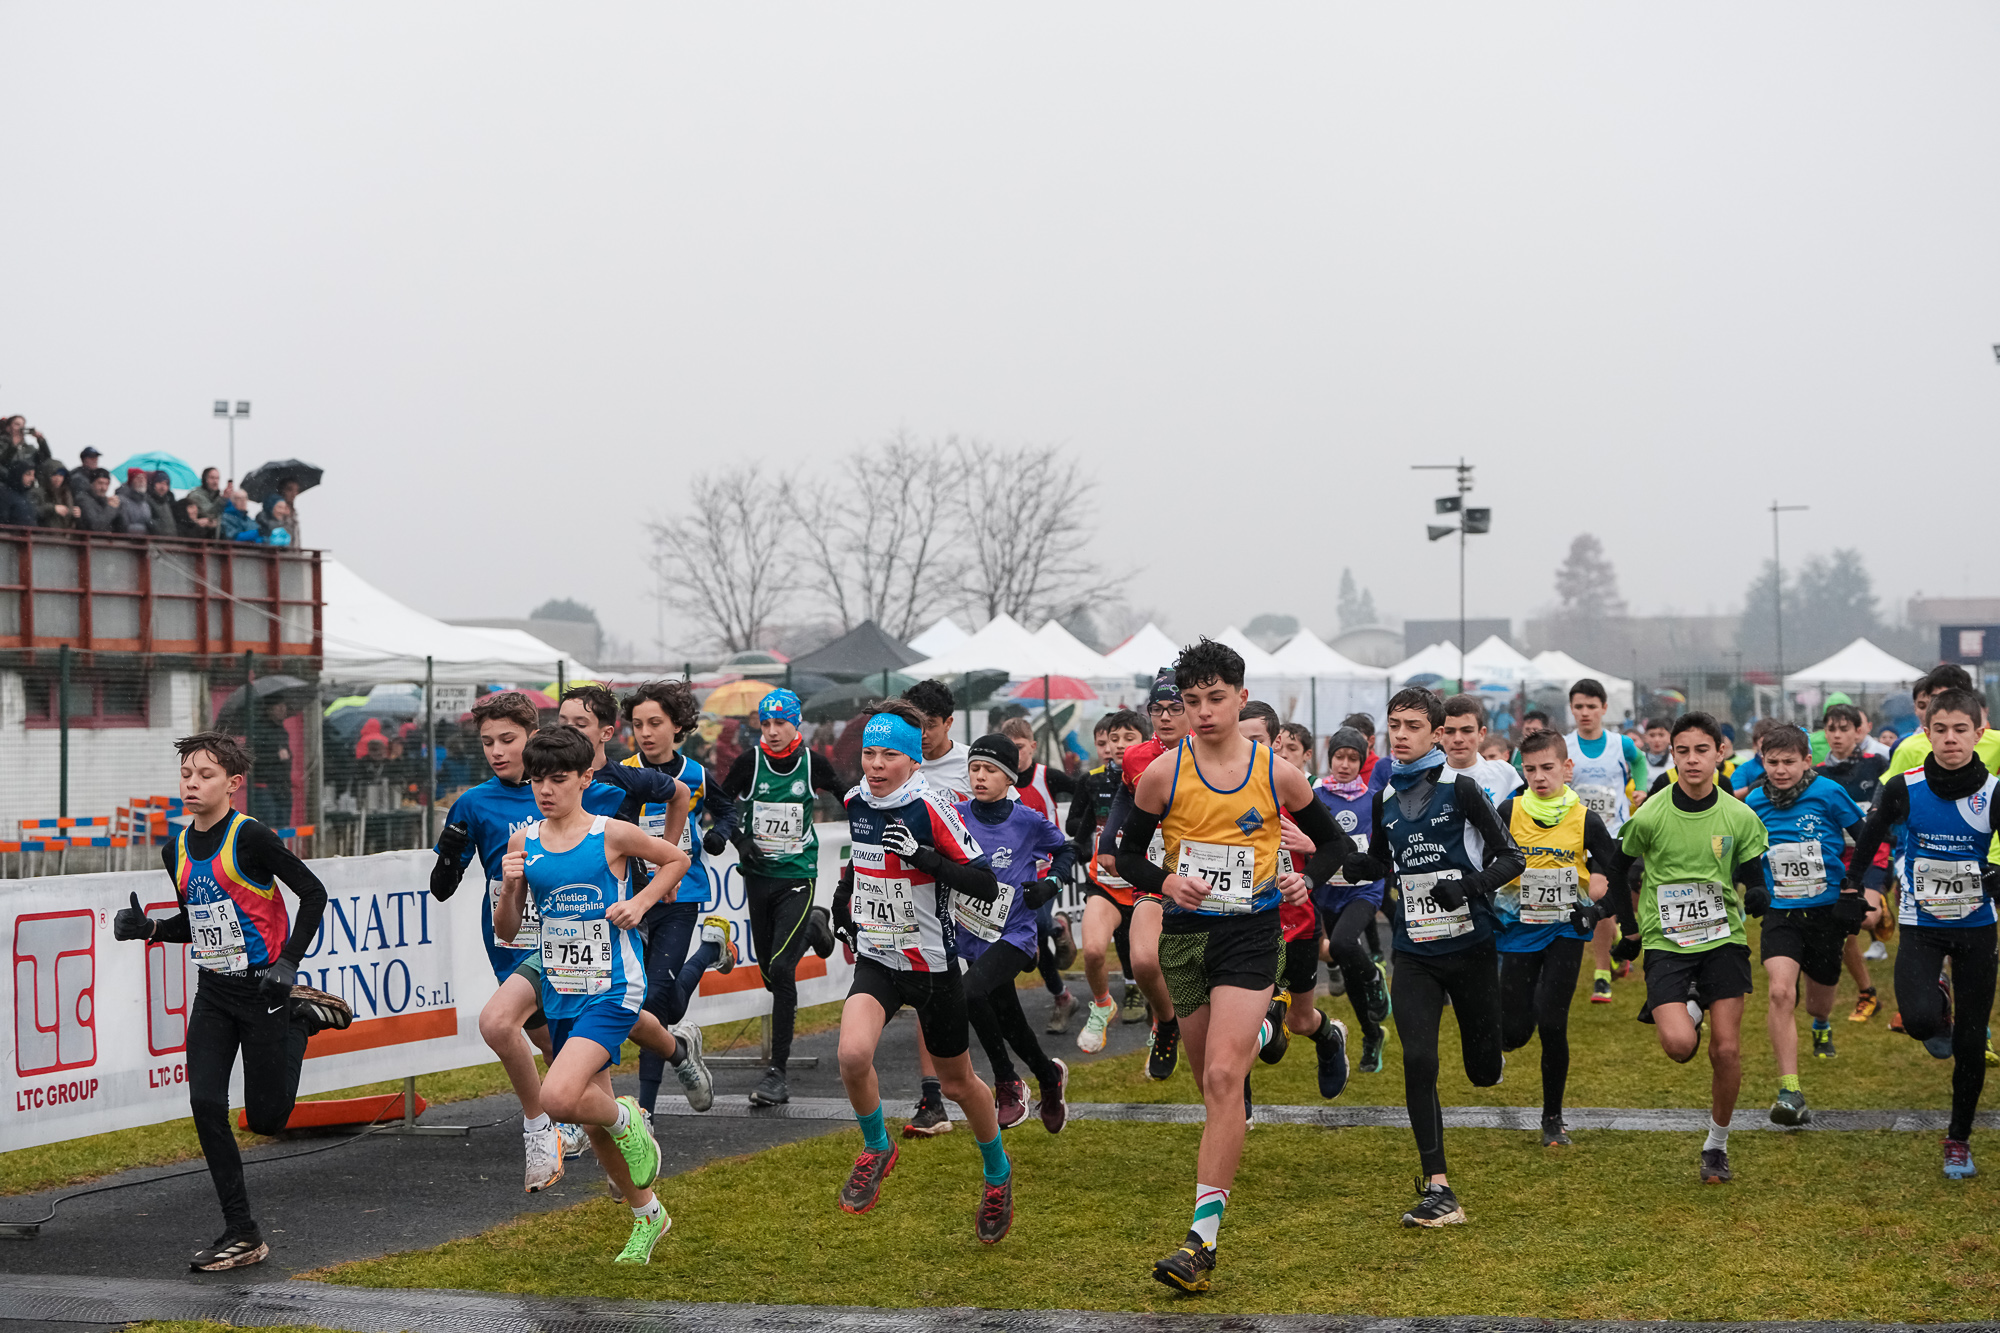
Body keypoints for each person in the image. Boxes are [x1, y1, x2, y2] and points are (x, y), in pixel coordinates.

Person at [1113, 640, 1348, 1292]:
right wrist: (1166, 880)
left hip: (1250, 933)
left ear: (1241, 698)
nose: (1204, 711)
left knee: (1222, 1078)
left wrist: (1304, 880)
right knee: (1213, 1084)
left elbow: (1335, 843)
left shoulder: (1278, 773)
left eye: (1216, 698)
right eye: (1192, 701)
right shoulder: (1163, 773)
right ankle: (1268, 1033)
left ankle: (1200, 1242)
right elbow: (1122, 855)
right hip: (1186, 939)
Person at [432, 692, 702, 1190]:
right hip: (532, 949)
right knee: (555, 1059)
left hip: (599, 942)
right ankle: (633, 1188)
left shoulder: (603, 787)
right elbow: (452, 892)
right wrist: (455, 860)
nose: (497, 751)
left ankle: (558, 1125)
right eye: (487, 742)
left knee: (570, 1038)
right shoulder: (476, 803)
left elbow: (679, 803)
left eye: (507, 739)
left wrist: (642, 896)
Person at [109, 732, 347, 1271]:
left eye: (205, 775)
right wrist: (149, 928)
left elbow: (313, 893)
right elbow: (201, 920)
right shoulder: (175, 850)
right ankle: (242, 1232)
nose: (192, 784)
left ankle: (298, 1020)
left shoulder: (252, 838)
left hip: (265, 987)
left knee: (266, 1119)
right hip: (214, 991)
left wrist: (287, 963)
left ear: (233, 785)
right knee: (206, 1104)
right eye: (186, 775)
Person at [495, 727, 684, 1264]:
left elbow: (676, 859)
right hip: (561, 989)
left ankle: (629, 1118)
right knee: (586, 1116)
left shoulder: (612, 833)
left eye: (558, 779)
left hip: (614, 988)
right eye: (537, 781)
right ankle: (649, 1214)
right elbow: (508, 930)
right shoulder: (523, 842)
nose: (545, 790)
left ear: (584, 778)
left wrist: (642, 903)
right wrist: (511, 885)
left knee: (558, 1099)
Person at [830, 703, 1015, 1242]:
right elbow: (861, 863)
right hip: (880, 958)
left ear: (914, 762)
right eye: (869, 753)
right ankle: (875, 1146)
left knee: (959, 1084)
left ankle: (998, 1174)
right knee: (851, 1054)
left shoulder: (932, 806)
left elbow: (982, 882)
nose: (877, 764)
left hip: (933, 968)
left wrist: (925, 858)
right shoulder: (854, 800)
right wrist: (845, 906)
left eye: (890, 754)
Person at [1341, 688, 1524, 1229]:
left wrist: (1469, 887)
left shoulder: (1463, 789)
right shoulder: (1385, 798)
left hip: (1470, 947)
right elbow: (1381, 861)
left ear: (1437, 733)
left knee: (1483, 1071)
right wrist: (1356, 867)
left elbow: (1510, 856)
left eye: (1414, 726)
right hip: (1414, 950)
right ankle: (1439, 1188)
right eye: (1395, 724)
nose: (1401, 734)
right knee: (1419, 1060)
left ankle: (1491, 1053)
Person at [1602, 712, 1769, 1184]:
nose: (1692, 760)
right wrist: (1630, 931)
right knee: (1679, 1046)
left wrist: (1757, 894)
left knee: (1726, 1050)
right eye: (1682, 751)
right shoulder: (1651, 813)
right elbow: (1618, 869)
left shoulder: (1739, 816)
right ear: (1671, 756)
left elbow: (1754, 872)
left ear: (1721, 753)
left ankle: (1716, 1146)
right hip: (1667, 941)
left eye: (1701, 750)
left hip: (1723, 939)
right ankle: (1691, 1004)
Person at [1843, 686, 1999, 1180]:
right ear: (1926, 732)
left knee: (1971, 1046)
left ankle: (1958, 1138)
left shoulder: (1994, 792)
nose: (1950, 739)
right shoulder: (1904, 787)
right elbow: (1871, 832)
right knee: (1917, 1020)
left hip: (1977, 930)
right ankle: (1937, 1001)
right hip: (1922, 925)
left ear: (1979, 732)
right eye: (1940, 729)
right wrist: (1853, 885)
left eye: (1960, 730)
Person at [705, 687, 845, 1107]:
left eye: (780, 723)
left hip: (797, 876)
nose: (772, 731)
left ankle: (776, 1075)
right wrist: (739, 840)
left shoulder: (812, 764)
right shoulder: (750, 763)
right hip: (757, 877)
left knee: (783, 969)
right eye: (765, 724)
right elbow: (721, 804)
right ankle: (817, 925)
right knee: (769, 973)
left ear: (796, 723)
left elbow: (849, 797)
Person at [622, 679, 743, 1117]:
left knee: (653, 1001)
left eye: (655, 723)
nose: (646, 732)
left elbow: (728, 811)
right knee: (659, 1004)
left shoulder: (694, 774)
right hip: (635, 901)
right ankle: (711, 951)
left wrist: (718, 835)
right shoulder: (624, 773)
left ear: (678, 727)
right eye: (638, 724)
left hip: (681, 894)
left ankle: (646, 1113)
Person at [1491, 729, 1617, 1146]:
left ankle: (1552, 1119)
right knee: (1514, 1033)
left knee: (1552, 1020)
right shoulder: (1507, 811)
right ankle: (1503, 1037)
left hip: (1565, 931)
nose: (1539, 777)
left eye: (1548, 768)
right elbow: (1483, 861)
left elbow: (1616, 876)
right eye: (1530, 770)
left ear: (1567, 768)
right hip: (1517, 930)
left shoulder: (1586, 819)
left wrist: (1595, 909)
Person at [1738, 724, 1866, 1127]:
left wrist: (1854, 887)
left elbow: (1866, 836)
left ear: (1807, 760)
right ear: (1762, 761)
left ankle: (1822, 1025)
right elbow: (1742, 849)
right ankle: (1790, 1089)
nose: (1780, 770)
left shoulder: (1828, 793)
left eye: (1789, 762)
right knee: (1779, 993)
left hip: (1826, 911)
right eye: (1772, 762)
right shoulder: (1755, 801)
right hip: (1780, 913)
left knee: (1816, 1001)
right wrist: (1754, 884)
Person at [955, 733, 1074, 1133]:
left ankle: (1007, 1082)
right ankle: (1048, 1075)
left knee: (969, 993)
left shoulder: (1027, 821)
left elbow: (1068, 851)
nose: (980, 777)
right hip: (973, 936)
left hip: (1017, 934)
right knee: (1011, 1021)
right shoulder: (954, 815)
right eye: (974, 769)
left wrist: (1051, 885)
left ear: (1010, 778)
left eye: (990, 770)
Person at [1238, 704, 1352, 1102]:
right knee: (1239, 1023)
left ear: (1277, 743)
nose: (1246, 748)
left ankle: (1328, 1037)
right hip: (1244, 928)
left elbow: (1341, 847)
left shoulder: (1290, 790)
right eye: (1240, 739)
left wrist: (1309, 867)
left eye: (1257, 741)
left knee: (1302, 1020)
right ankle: (1238, 1103)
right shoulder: (1216, 795)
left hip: (1298, 928)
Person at [1097, 671, 1191, 1081]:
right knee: (1143, 959)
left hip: (1208, 878)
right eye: (1157, 709)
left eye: (1175, 708)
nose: (1166, 717)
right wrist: (1107, 845)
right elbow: (1124, 793)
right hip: (1154, 872)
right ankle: (1167, 1021)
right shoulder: (1137, 756)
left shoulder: (1213, 751)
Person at [1070, 709, 1150, 1050]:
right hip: (1103, 882)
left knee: (1149, 964)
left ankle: (1162, 1021)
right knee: (1092, 952)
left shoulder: (1161, 775)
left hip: (1147, 885)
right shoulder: (1095, 780)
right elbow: (1082, 828)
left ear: (1145, 741)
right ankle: (1103, 1005)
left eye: (1128, 738)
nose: (1119, 745)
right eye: (1113, 739)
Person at [996, 714, 1080, 1030]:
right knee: (1034, 940)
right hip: (1014, 873)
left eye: (1020, 747)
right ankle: (1062, 997)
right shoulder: (997, 781)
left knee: (1040, 924)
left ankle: (1059, 926)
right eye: (1009, 748)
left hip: (1047, 869)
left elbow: (1083, 790)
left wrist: (1077, 831)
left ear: (1033, 745)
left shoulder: (1048, 777)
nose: (1015, 755)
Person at [1314, 728, 1391, 1073]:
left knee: (1344, 943)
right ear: (1329, 759)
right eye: (1339, 757)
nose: (1345, 764)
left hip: (1363, 890)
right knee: (1346, 964)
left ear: (1362, 762)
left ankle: (1375, 977)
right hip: (1326, 892)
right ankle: (1372, 1034)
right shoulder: (1314, 797)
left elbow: (1382, 847)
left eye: (1353, 758)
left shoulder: (1374, 798)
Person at [1567, 678, 1646, 1005]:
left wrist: (1640, 788)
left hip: (1615, 832)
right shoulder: (1564, 744)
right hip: (1578, 833)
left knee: (1621, 893)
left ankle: (1613, 952)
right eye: (1578, 707)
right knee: (1601, 893)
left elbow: (1639, 761)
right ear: (1572, 709)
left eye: (1591, 707)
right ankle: (1602, 973)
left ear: (1604, 708)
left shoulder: (1620, 743)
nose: (1585, 713)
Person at [1816, 702, 1894, 1012]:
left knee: (1866, 918)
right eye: (1831, 729)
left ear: (1858, 732)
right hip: (1837, 855)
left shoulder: (1878, 763)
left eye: (1844, 729)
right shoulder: (1818, 773)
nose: (1837, 736)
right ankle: (1867, 993)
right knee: (1843, 920)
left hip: (1873, 850)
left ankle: (1882, 908)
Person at [1441, 695, 1524, 808]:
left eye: (1467, 731)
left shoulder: (1503, 771)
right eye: (1449, 731)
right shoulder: (1428, 779)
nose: (1458, 739)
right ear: (1439, 735)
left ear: (1481, 734)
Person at [75, 468, 122, 532]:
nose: (104, 488)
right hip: (89, 540)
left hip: (104, 540)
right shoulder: (83, 499)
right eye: (100, 483)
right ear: (91, 483)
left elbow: (121, 527)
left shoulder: (106, 501)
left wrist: (119, 508)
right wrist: (111, 508)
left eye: (107, 484)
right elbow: (95, 526)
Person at [184, 467, 226, 538]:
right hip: (200, 538)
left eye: (217, 478)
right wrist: (223, 499)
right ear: (205, 479)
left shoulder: (219, 497)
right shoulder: (196, 495)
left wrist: (214, 523)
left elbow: (227, 519)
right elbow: (209, 513)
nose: (215, 481)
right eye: (212, 478)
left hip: (217, 539)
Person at [35, 462, 79, 529]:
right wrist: (53, 509)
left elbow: (69, 516)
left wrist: (77, 514)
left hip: (63, 537)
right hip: (43, 536)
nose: (58, 478)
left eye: (61, 475)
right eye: (54, 474)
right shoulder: (37, 492)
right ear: (47, 475)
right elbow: (33, 512)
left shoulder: (66, 493)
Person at [0, 459, 36, 527]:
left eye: (33, 475)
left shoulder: (27, 495)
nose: (32, 478)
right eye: (28, 474)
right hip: (10, 536)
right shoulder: (4, 494)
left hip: (27, 536)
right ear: (18, 474)